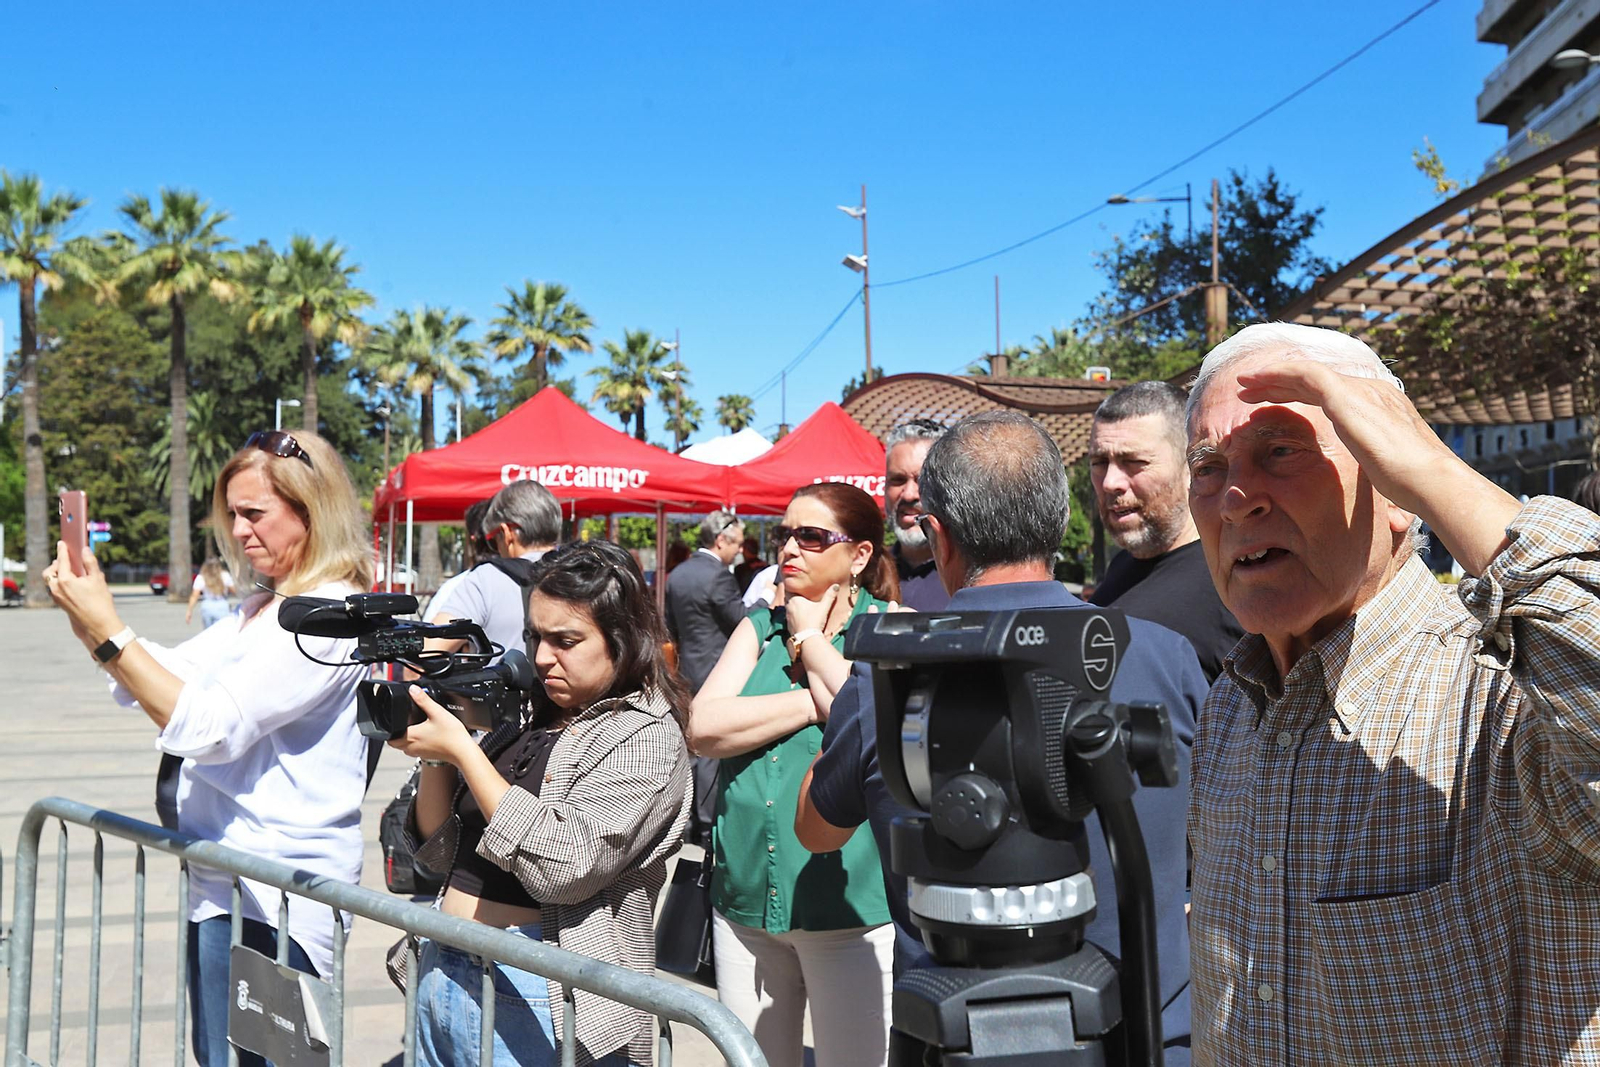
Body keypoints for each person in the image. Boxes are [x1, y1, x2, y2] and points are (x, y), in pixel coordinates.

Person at [1183, 322, 1600, 1064]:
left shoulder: (1504, 695)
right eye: (1208, 466)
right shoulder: (1230, 706)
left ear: (1396, 489)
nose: (1235, 498)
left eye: (1282, 450)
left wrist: (1433, 469)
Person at [797, 411, 1208, 1062]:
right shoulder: (1164, 656)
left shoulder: (889, 680)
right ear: (1061, 521)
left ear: (938, 535)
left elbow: (815, 828)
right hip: (1154, 1039)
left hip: (953, 1035)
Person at [44, 428, 372, 1067]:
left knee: (275, 1061)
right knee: (219, 1057)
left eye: (256, 513)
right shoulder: (267, 604)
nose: (241, 530)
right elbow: (162, 673)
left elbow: (211, 727)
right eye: (233, 514)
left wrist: (108, 627)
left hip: (284, 894)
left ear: (314, 509)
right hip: (225, 880)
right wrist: (88, 618)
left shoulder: (330, 613)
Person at [396, 539, 691, 1067]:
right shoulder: (529, 710)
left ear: (622, 639)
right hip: (445, 962)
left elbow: (567, 866)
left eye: (566, 640)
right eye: (535, 636)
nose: (540, 657)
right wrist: (435, 755)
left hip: (544, 989)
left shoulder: (644, 734)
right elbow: (438, 855)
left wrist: (464, 752)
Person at [688, 483, 902, 1067]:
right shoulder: (758, 627)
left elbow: (867, 723)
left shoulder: (892, 626)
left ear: (858, 555)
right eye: (785, 534)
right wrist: (810, 704)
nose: (790, 549)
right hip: (746, 903)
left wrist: (809, 640)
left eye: (810, 536)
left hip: (851, 913)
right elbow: (704, 727)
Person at [1087, 381, 1244, 681]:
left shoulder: (1233, 584)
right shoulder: (1124, 564)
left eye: (1134, 462)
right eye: (1099, 462)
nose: (1110, 483)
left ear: (1191, 467)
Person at [665, 509, 748, 846]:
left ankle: (682, 820)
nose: (739, 552)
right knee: (711, 751)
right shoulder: (718, 576)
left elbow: (669, 627)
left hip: (687, 671)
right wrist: (765, 601)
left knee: (687, 749)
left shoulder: (678, 574)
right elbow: (740, 620)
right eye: (737, 545)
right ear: (721, 540)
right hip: (718, 671)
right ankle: (703, 823)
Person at [424, 480, 560, 661]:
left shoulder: (485, 580)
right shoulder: (585, 571)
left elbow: (425, 655)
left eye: (493, 539)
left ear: (507, 533)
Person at [882, 417, 950, 611]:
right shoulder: (867, 572)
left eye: (921, 480)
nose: (909, 494)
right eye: (897, 480)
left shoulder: (971, 576)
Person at [185, 557, 235, 629]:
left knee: (208, 633)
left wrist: (189, 611)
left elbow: (194, 596)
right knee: (222, 632)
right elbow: (234, 590)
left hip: (207, 606)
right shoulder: (225, 575)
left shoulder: (201, 577)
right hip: (222, 605)